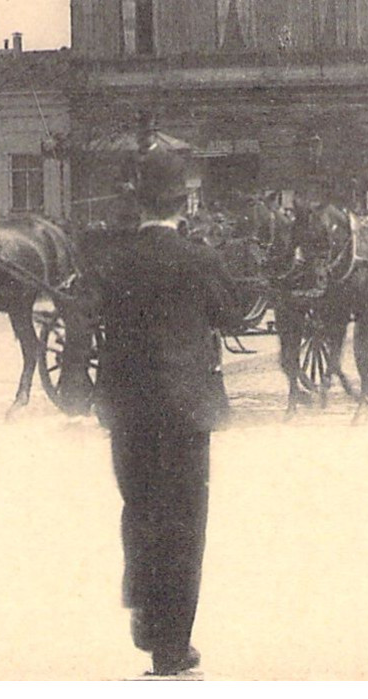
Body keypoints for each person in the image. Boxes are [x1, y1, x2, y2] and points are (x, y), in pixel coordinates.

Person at [92, 149, 244, 677]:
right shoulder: (197, 257)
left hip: (127, 409)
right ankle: (171, 649)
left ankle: (146, 616)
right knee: (182, 525)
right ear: (186, 203)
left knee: (139, 512)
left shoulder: (113, 257)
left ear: (138, 204)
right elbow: (234, 315)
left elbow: (93, 317)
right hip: (185, 410)